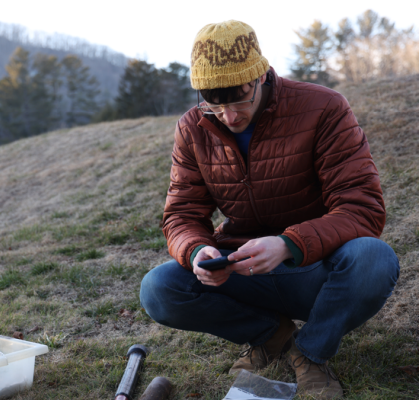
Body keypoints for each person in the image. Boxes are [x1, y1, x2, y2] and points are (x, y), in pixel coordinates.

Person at [139, 20, 399, 399]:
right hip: (240, 272)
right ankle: (269, 334)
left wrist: (288, 244)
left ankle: (309, 352)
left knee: (374, 259)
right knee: (159, 288)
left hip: (314, 268)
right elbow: (181, 215)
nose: (229, 116)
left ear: (260, 75)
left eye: (239, 100)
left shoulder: (323, 107)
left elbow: (363, 208)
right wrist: (197, 250)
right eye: (215, 104)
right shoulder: (193, 128)